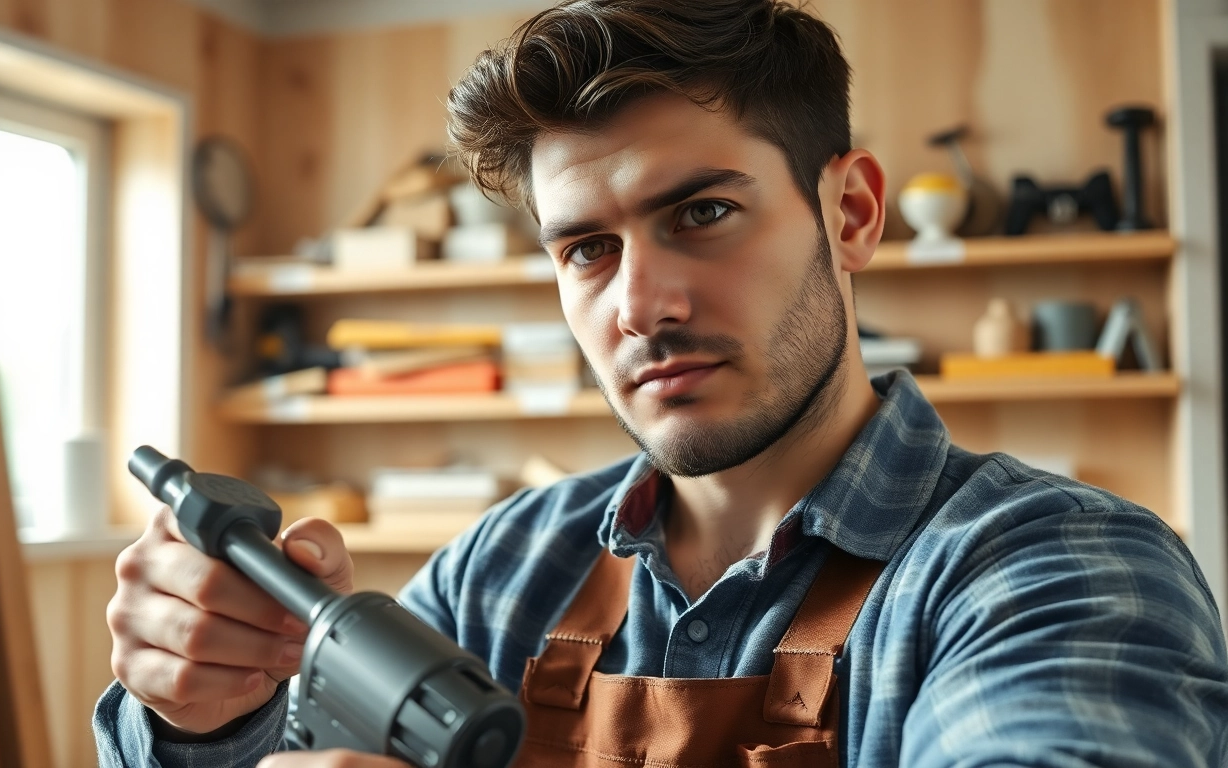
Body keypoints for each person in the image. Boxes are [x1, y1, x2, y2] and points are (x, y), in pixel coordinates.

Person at [94, 1, 1228, 766]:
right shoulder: (504, 572)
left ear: (853, 214)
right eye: (586, 249)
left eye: (702, 213)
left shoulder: (1057, 571)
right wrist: (207, 714)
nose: (640, 305)